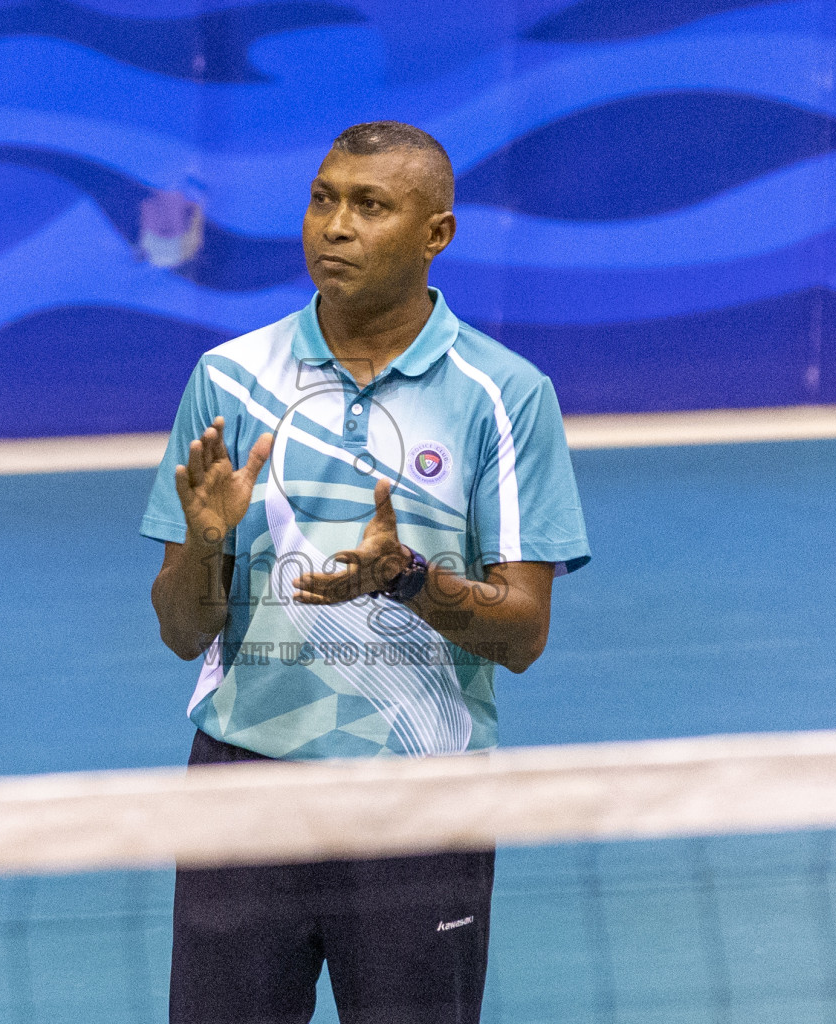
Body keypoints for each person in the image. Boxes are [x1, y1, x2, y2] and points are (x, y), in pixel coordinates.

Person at [141, 121, 592, 1024]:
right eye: (322, 199)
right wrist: (204, 543)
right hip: (244, 788)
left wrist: (409, 579)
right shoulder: (228, 378)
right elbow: (182, 629)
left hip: (417, 801)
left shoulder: (504, 396)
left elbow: (524, 634)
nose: (334, 226)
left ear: (437, 236)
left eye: (370, 205)